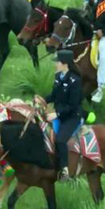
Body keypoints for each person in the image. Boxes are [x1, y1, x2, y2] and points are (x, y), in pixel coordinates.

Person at [39, 49, 84, 181]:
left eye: (57, 62)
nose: (56, 64)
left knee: (60, 140)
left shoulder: (75, 81)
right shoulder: (58, 76)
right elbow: (54, 95)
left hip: (72, 116)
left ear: (65, 63)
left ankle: (65, 170)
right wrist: (42, 100)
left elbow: (73, 105)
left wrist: (57, 114)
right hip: (58, 114)